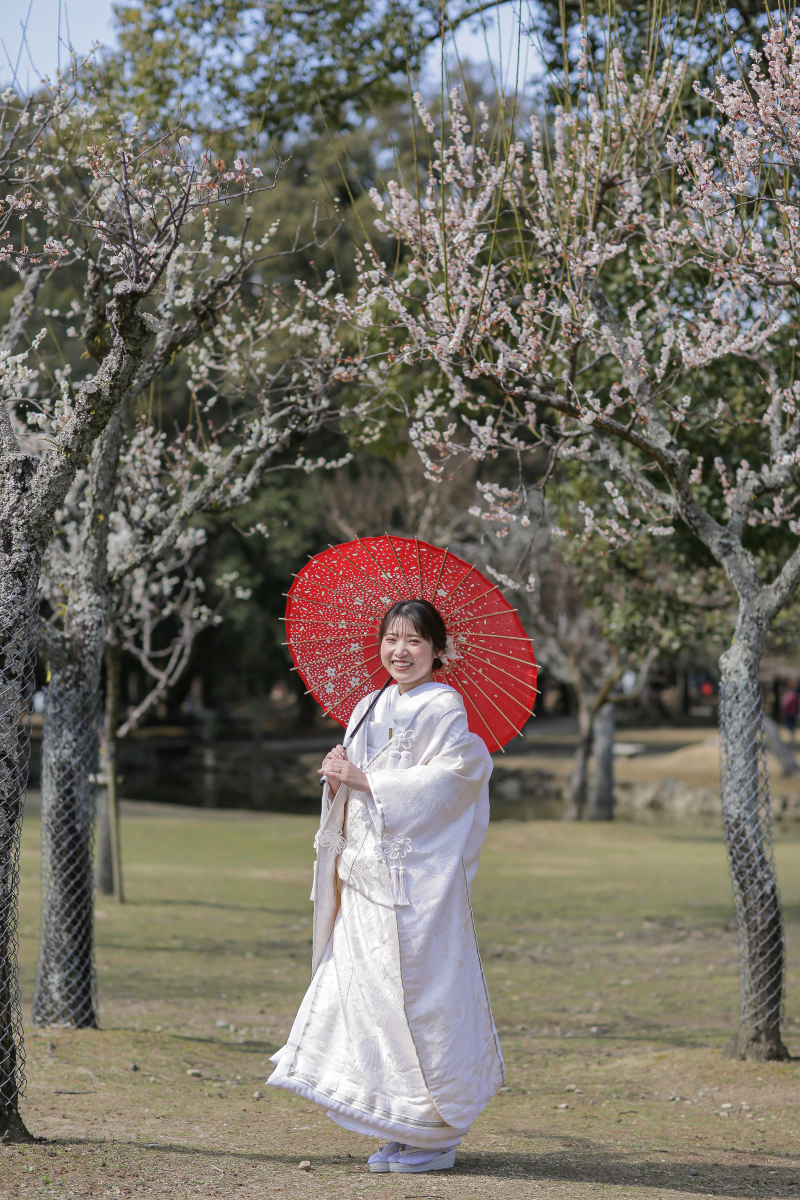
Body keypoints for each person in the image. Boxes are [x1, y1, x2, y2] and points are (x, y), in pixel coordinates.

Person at [267, 598, 504, 1174]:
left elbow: (452, 781)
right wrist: (337, 778)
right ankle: (397, 1123)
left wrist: (368, 780)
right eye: (392, 639)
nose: (401, 651)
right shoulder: (368, 704)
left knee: (416, 1000)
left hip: (414, 884)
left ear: (437, 650)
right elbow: (354, 786)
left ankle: (435, 1133)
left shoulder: (444, 705)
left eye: (415, 640)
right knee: (368, 1001)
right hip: (365, 876)